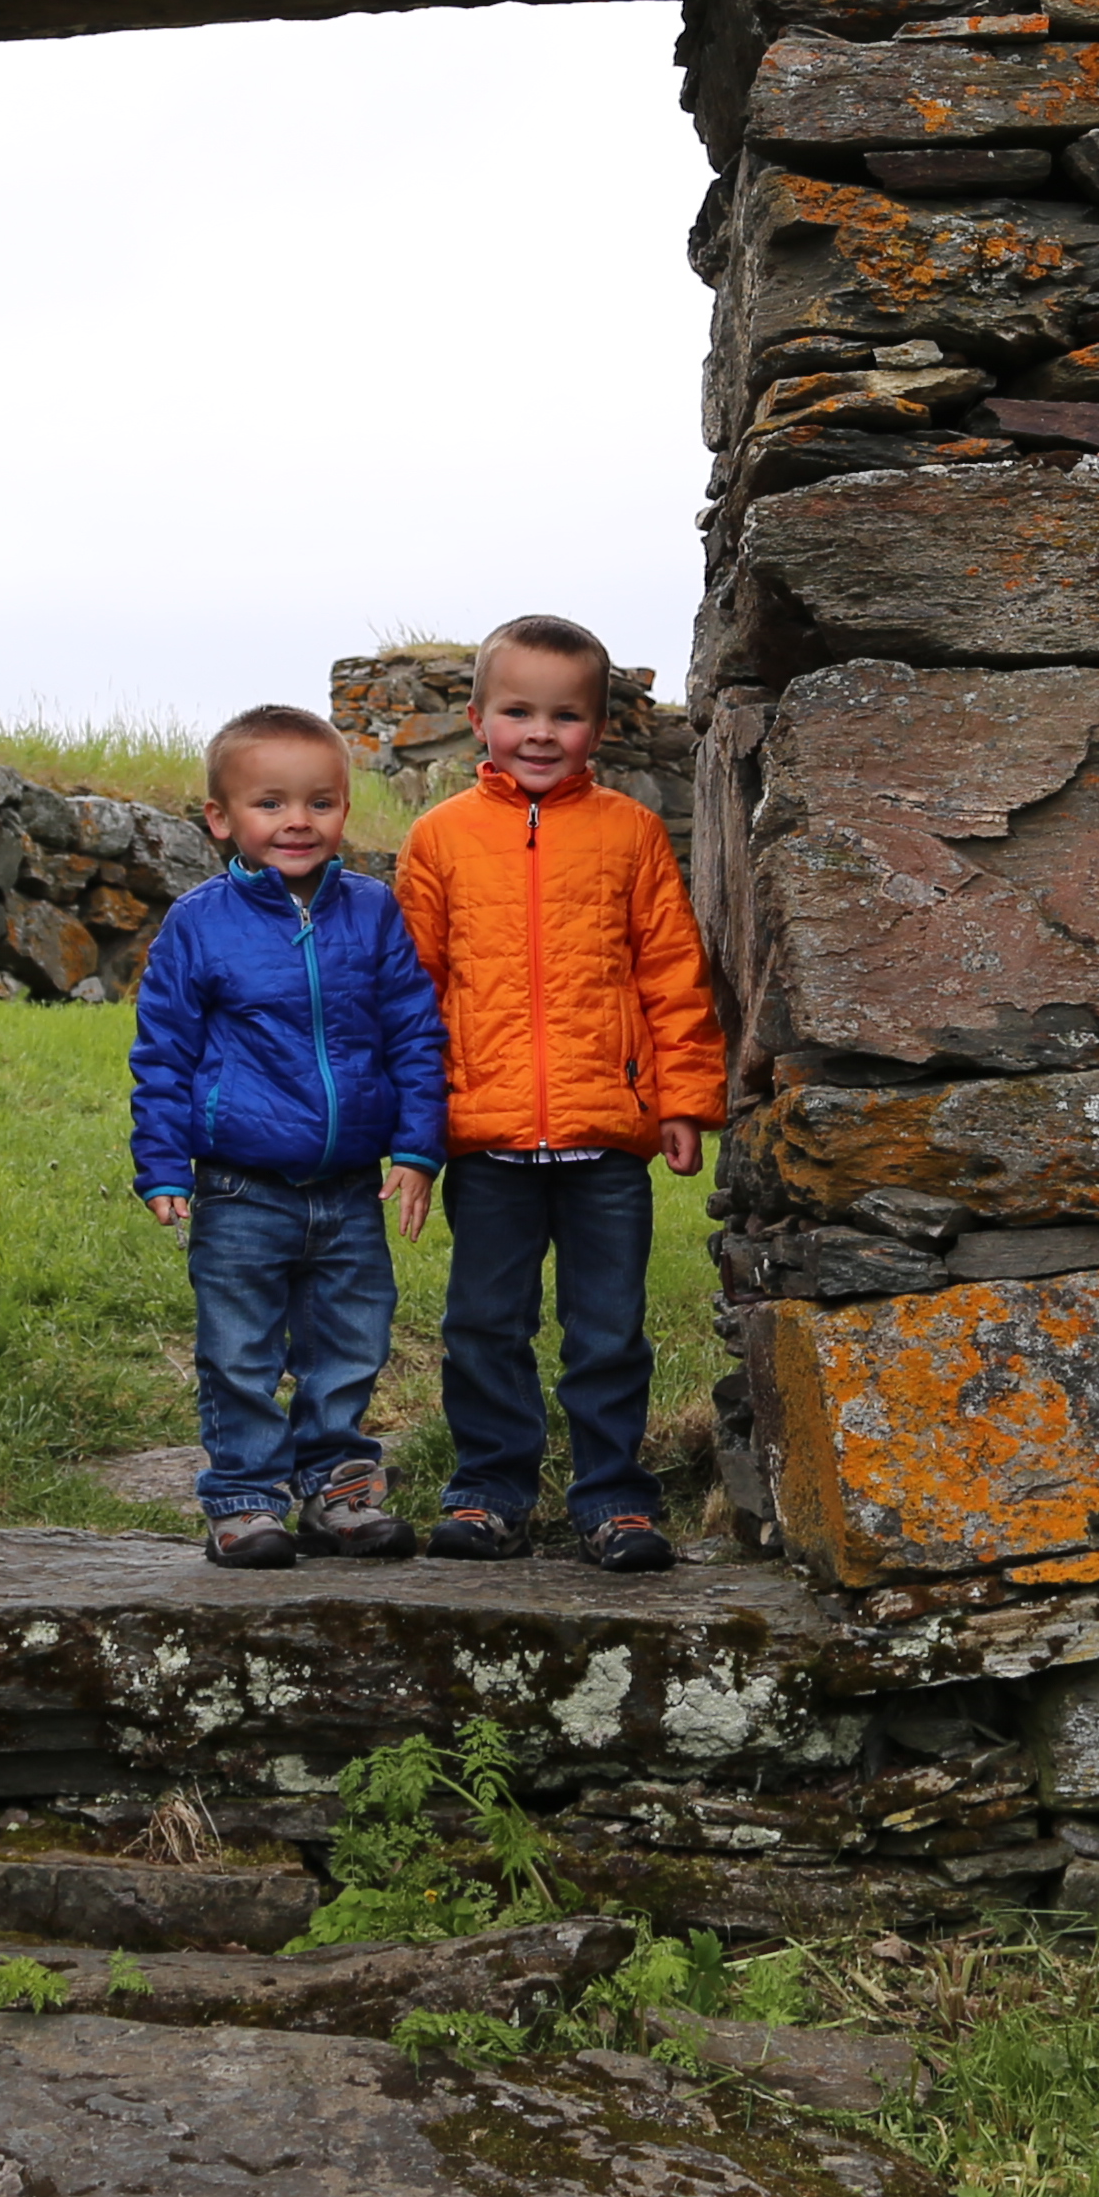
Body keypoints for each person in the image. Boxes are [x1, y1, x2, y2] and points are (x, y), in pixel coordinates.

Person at [391, 613, 727, 1574]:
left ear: (600, 726)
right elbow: (412, 990)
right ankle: (490, 1490)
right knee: (484, 1326)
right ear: (477, 717)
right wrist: (416, 1127)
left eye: (565, 715)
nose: (541, 733)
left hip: (605, 1142)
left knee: (608, 1330)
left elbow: (671, 974)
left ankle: (614, 1497)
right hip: (486, 1140)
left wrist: (681, 1100)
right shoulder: (439, 840)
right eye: (518, 711)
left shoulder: (629, 835)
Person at [125, 700, 453, 1569]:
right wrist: (161, 1163)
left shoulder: (373, 913)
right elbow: (163, 1053)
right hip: (239, 1185)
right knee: (238, 1350)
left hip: (349, 1187)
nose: (297, 822)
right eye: (270, 804)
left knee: (349, 1344)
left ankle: (339, 1491)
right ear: (221, 818)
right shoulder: (199, 924)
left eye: (320, 802)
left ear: (346, 807)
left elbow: (415, 1034)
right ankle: (243, 1498)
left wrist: (419, 1150)